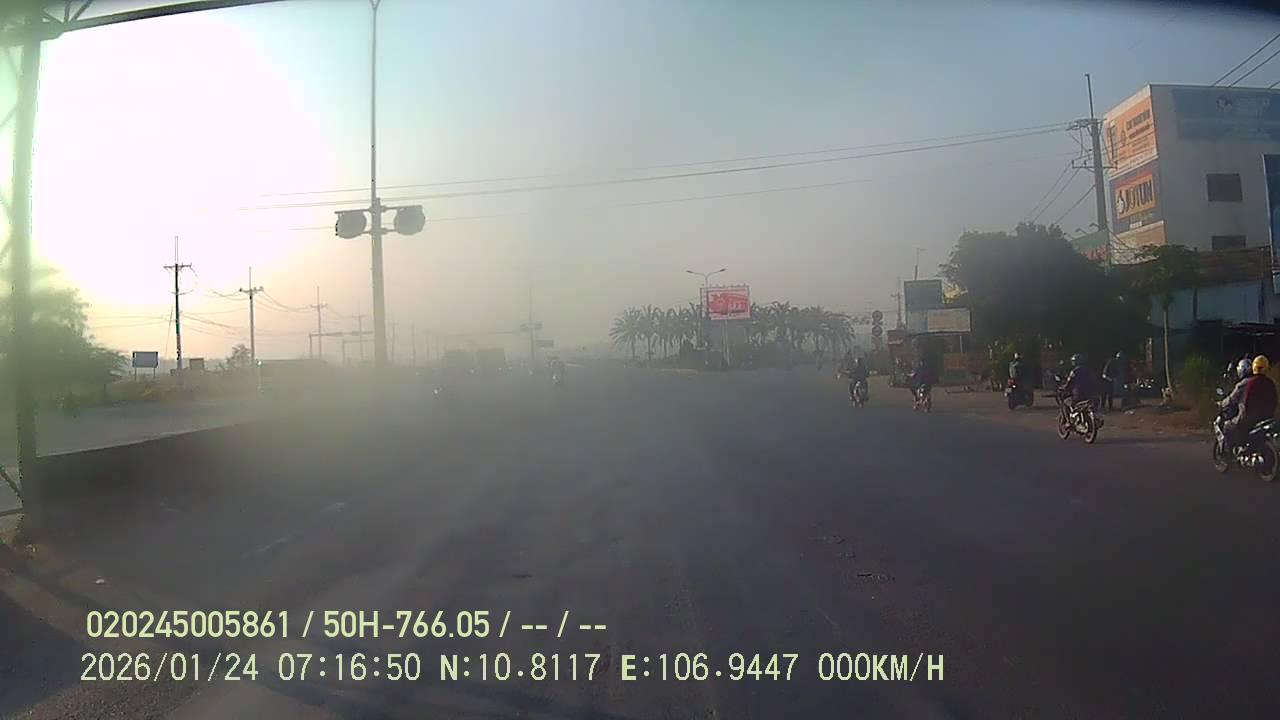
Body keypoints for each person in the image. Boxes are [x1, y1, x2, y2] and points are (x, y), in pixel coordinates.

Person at [1220, 355, 1278, 451]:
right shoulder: (1270, 383)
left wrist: (1221, 404)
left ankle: (1229, 455)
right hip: (1267, 417)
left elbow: (1234, 400)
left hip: (1249, 419)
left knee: (1227, 427)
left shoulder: (1247, 383)